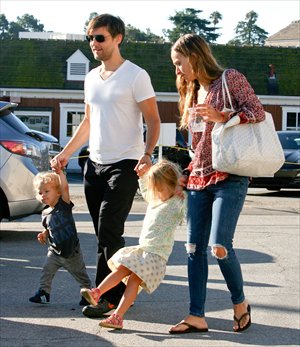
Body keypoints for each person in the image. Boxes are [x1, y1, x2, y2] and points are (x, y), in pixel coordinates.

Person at [50, 13, 160, 318]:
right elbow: (87, 122)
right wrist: (65, 153)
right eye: (89, 37)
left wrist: (147, 153)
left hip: (125, 164)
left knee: (110, 230)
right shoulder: (90, 77)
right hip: (94, 165)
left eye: (100, 37)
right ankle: (122, 291)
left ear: (118, 38)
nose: (93, 43)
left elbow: (152, 119)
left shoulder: (136, 75)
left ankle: (105, 298)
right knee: (103, 235)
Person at [168, 34, 265, 334]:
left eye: (179, 63)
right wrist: (186, 173)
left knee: (219, 246)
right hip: (198, 178)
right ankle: (196, 315)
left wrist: (223, 116)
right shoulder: (193, 92)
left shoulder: (230, 79)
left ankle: (240, 303)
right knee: (193, 247)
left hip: (229, 176)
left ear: (195, 57)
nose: (178, 71)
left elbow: (258, 112)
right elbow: (197, 144)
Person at [79, 160, 186, 329]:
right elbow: (144, 189)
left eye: (159, 187)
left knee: (133, 281)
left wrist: (186, 192)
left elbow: (193, 209)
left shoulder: (177, 203)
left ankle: (116, 315)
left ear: (171, 185)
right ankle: (98, 294)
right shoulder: (155, 199)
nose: (155, 191)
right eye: (154, 187)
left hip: (156, 256)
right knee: (121, 269)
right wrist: (142, 174)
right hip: (143, 250)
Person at [29, 170, 92, 305]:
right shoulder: (45, 213)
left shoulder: (63, 205)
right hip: (54, 251)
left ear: (58, 192)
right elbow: (48, 227)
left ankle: (88, 293)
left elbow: (65, 187)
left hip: (71, 252)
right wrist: (44, 234)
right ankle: (43, 293)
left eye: (47, 191)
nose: (43, 195)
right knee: (46, 271)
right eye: (40, 193)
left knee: (81, 275)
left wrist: (60, 173)